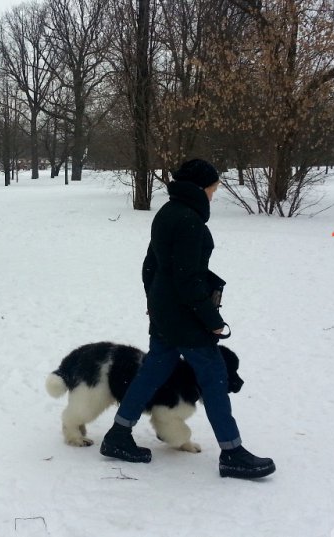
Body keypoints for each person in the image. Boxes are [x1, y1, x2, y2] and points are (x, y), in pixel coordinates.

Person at [99, 159, 275, 479]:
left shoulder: (168, 213)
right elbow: (188, 281)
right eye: (213, 187)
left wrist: (154, 302)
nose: (214, 192)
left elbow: (150, 266)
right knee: (214, 376)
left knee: (153, 372)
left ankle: (118, 435)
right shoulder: (190, 222)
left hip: (167, 313)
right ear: (200, 187)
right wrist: (213, 320)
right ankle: (233, 453)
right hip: (184, 317)